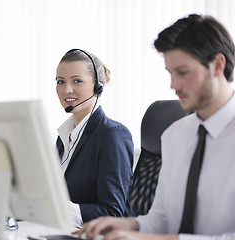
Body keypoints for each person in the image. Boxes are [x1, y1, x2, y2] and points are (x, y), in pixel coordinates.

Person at [76, 14, 235, 240]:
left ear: (218, 65)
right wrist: (127, 226)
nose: (173, 85)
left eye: (182, 72)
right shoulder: (175, 135)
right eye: (170, 73)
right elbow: (161, 218)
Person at [55, 49, 134, 228]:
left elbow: (112, 212)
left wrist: (57, 208)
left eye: (77, 81)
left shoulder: (112, 135)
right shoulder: (63, 137)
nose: (66, 90)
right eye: (61, 81)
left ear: (97, 86)